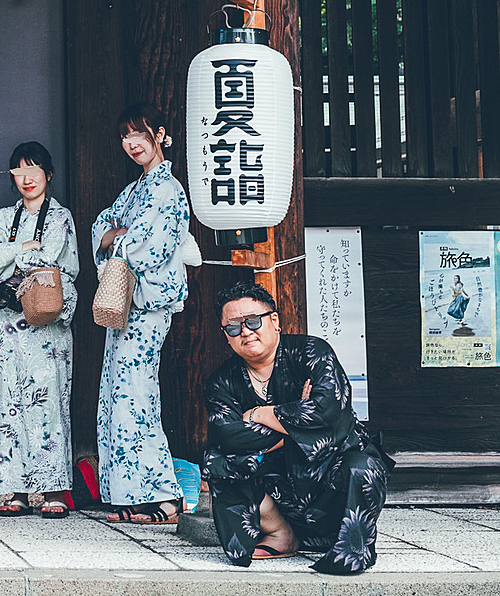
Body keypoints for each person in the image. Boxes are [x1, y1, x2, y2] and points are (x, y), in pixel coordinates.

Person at [204, 281, 393, 575]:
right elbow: (226, 435)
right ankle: (281, 533)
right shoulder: (222, 382)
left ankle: (348, 549)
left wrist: (258, 413)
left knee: (363, 464)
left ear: (274, 321)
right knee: (216, 458)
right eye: (233, 327)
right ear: (225, 336)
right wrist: (297, 418)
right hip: (280, 493)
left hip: (331, 482)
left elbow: (328, 413)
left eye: (253, 321)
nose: (245, 331)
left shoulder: (312, 352)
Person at [91, 103, 198, 525]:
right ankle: (128, 493)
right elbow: (104, 224)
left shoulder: (168, 189)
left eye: (139, 134)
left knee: (135, 392)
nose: (132, 143)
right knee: (119, 393)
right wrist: (114, 235)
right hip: (126, 302)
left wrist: (116, 238)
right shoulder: (138, 187)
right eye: (125, 136)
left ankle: (163, 496)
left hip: (148, 301)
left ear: (160, 134)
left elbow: (149, 247)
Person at [0, 141, 79, 518]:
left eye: (34, 170)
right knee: (6, 404)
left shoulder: (60, 218)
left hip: (44, 325)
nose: (27, 178)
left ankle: (53, 490)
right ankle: (15, 489)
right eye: (19, 171)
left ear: (48, 175)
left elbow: (50, 258)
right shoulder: (3, 217)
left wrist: (13, 254)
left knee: (48, 403)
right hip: (5, 328)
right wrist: (23, 247)